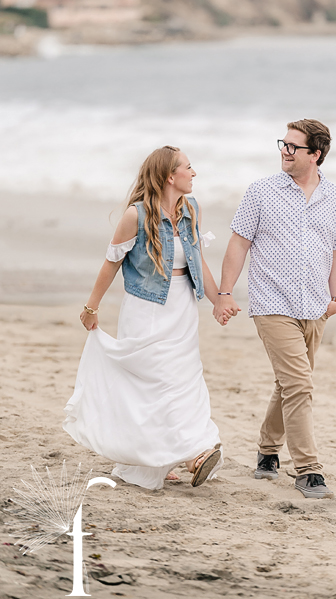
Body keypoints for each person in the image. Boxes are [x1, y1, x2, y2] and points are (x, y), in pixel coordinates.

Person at [64, 146, 223, 490]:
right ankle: (193, 452)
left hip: (182, 306)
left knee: (184, 378)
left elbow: (197, 261)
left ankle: (176, 454)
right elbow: (112, 263)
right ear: (170, 176)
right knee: (156, 381)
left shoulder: (190, 209)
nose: (194, 174)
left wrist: (219, 299)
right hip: (147, 310)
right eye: (188, 168)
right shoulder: (136, 216)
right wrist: (91, 307)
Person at [214, 118, 336, 499]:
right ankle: (308, 470)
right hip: (271, 303)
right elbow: (238, 244)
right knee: (300, 385)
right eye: (283, 144)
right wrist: (225, 293)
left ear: (316, 155)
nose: (284, 151)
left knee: (289, 385)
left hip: (316, 307)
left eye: (294, 147)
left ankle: (267, 452)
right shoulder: (261, 192)